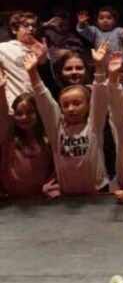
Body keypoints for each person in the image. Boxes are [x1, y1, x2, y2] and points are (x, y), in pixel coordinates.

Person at [30, 45, 111, 194]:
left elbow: (99, 95)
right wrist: (33, 74)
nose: (71, 108)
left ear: (88, 106)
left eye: (76, 103)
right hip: (68, 195)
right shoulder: (56, 128)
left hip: (97, 192)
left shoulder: (94, 125)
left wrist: (99, 67)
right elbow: (43, 99)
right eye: (66, 105)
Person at [0, 68, 55, 198]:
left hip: (44, 198)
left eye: (29, 112)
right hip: (14, 199)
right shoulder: (10, 136)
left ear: (38, 113)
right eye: (19, 114)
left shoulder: (48, 137)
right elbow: (2, 111)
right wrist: (1, 90)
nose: (24, 117)